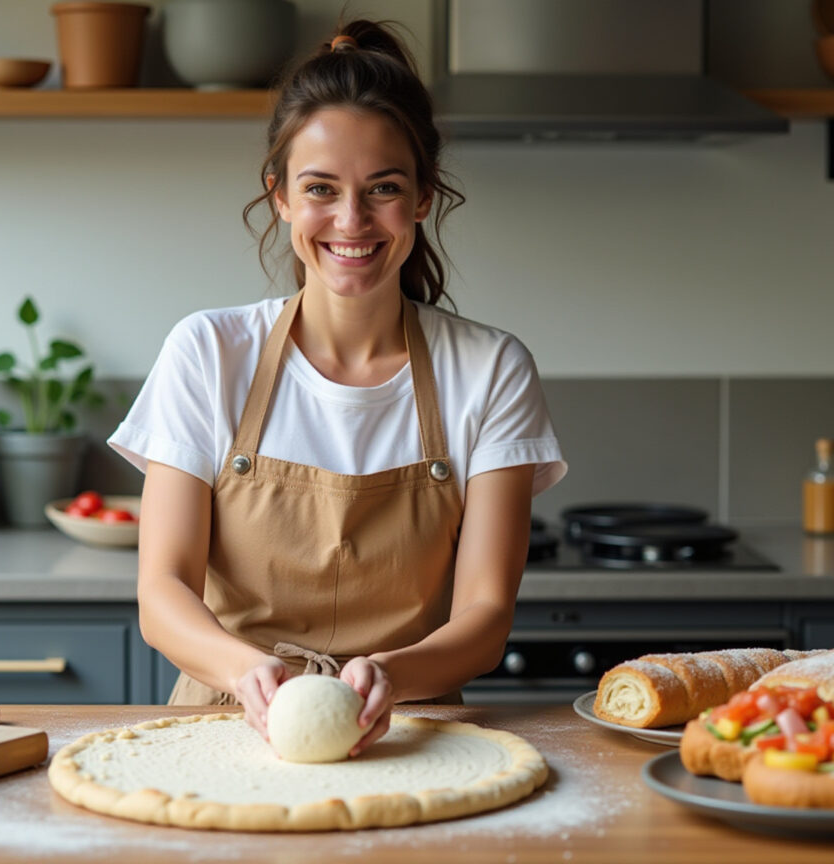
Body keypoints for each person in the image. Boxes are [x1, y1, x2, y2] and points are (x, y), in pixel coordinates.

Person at [107, 20, 566, 757]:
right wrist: (249, 671)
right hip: (224, 722)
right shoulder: (209, 352)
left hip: (415, 728)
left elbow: (485, 615)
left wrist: (391, 673)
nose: (351, 221)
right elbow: (162, 591)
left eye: (382, 189)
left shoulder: (489, 369)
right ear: (281, 197)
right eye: (320, 189)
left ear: (422, 197)